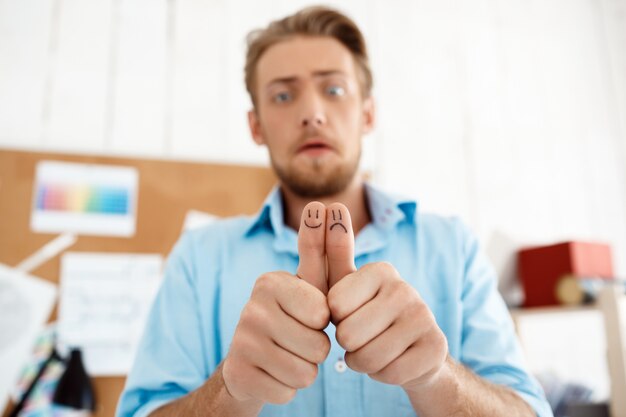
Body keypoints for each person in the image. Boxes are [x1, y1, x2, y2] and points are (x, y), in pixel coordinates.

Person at [117, 6, 552, 417]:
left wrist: (435, 377)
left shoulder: (453, 247)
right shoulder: (198, 258)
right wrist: (230, 393)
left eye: (334, 89)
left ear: (367, 113)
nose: (312, 114)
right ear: (256, 126)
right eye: (284, 95)